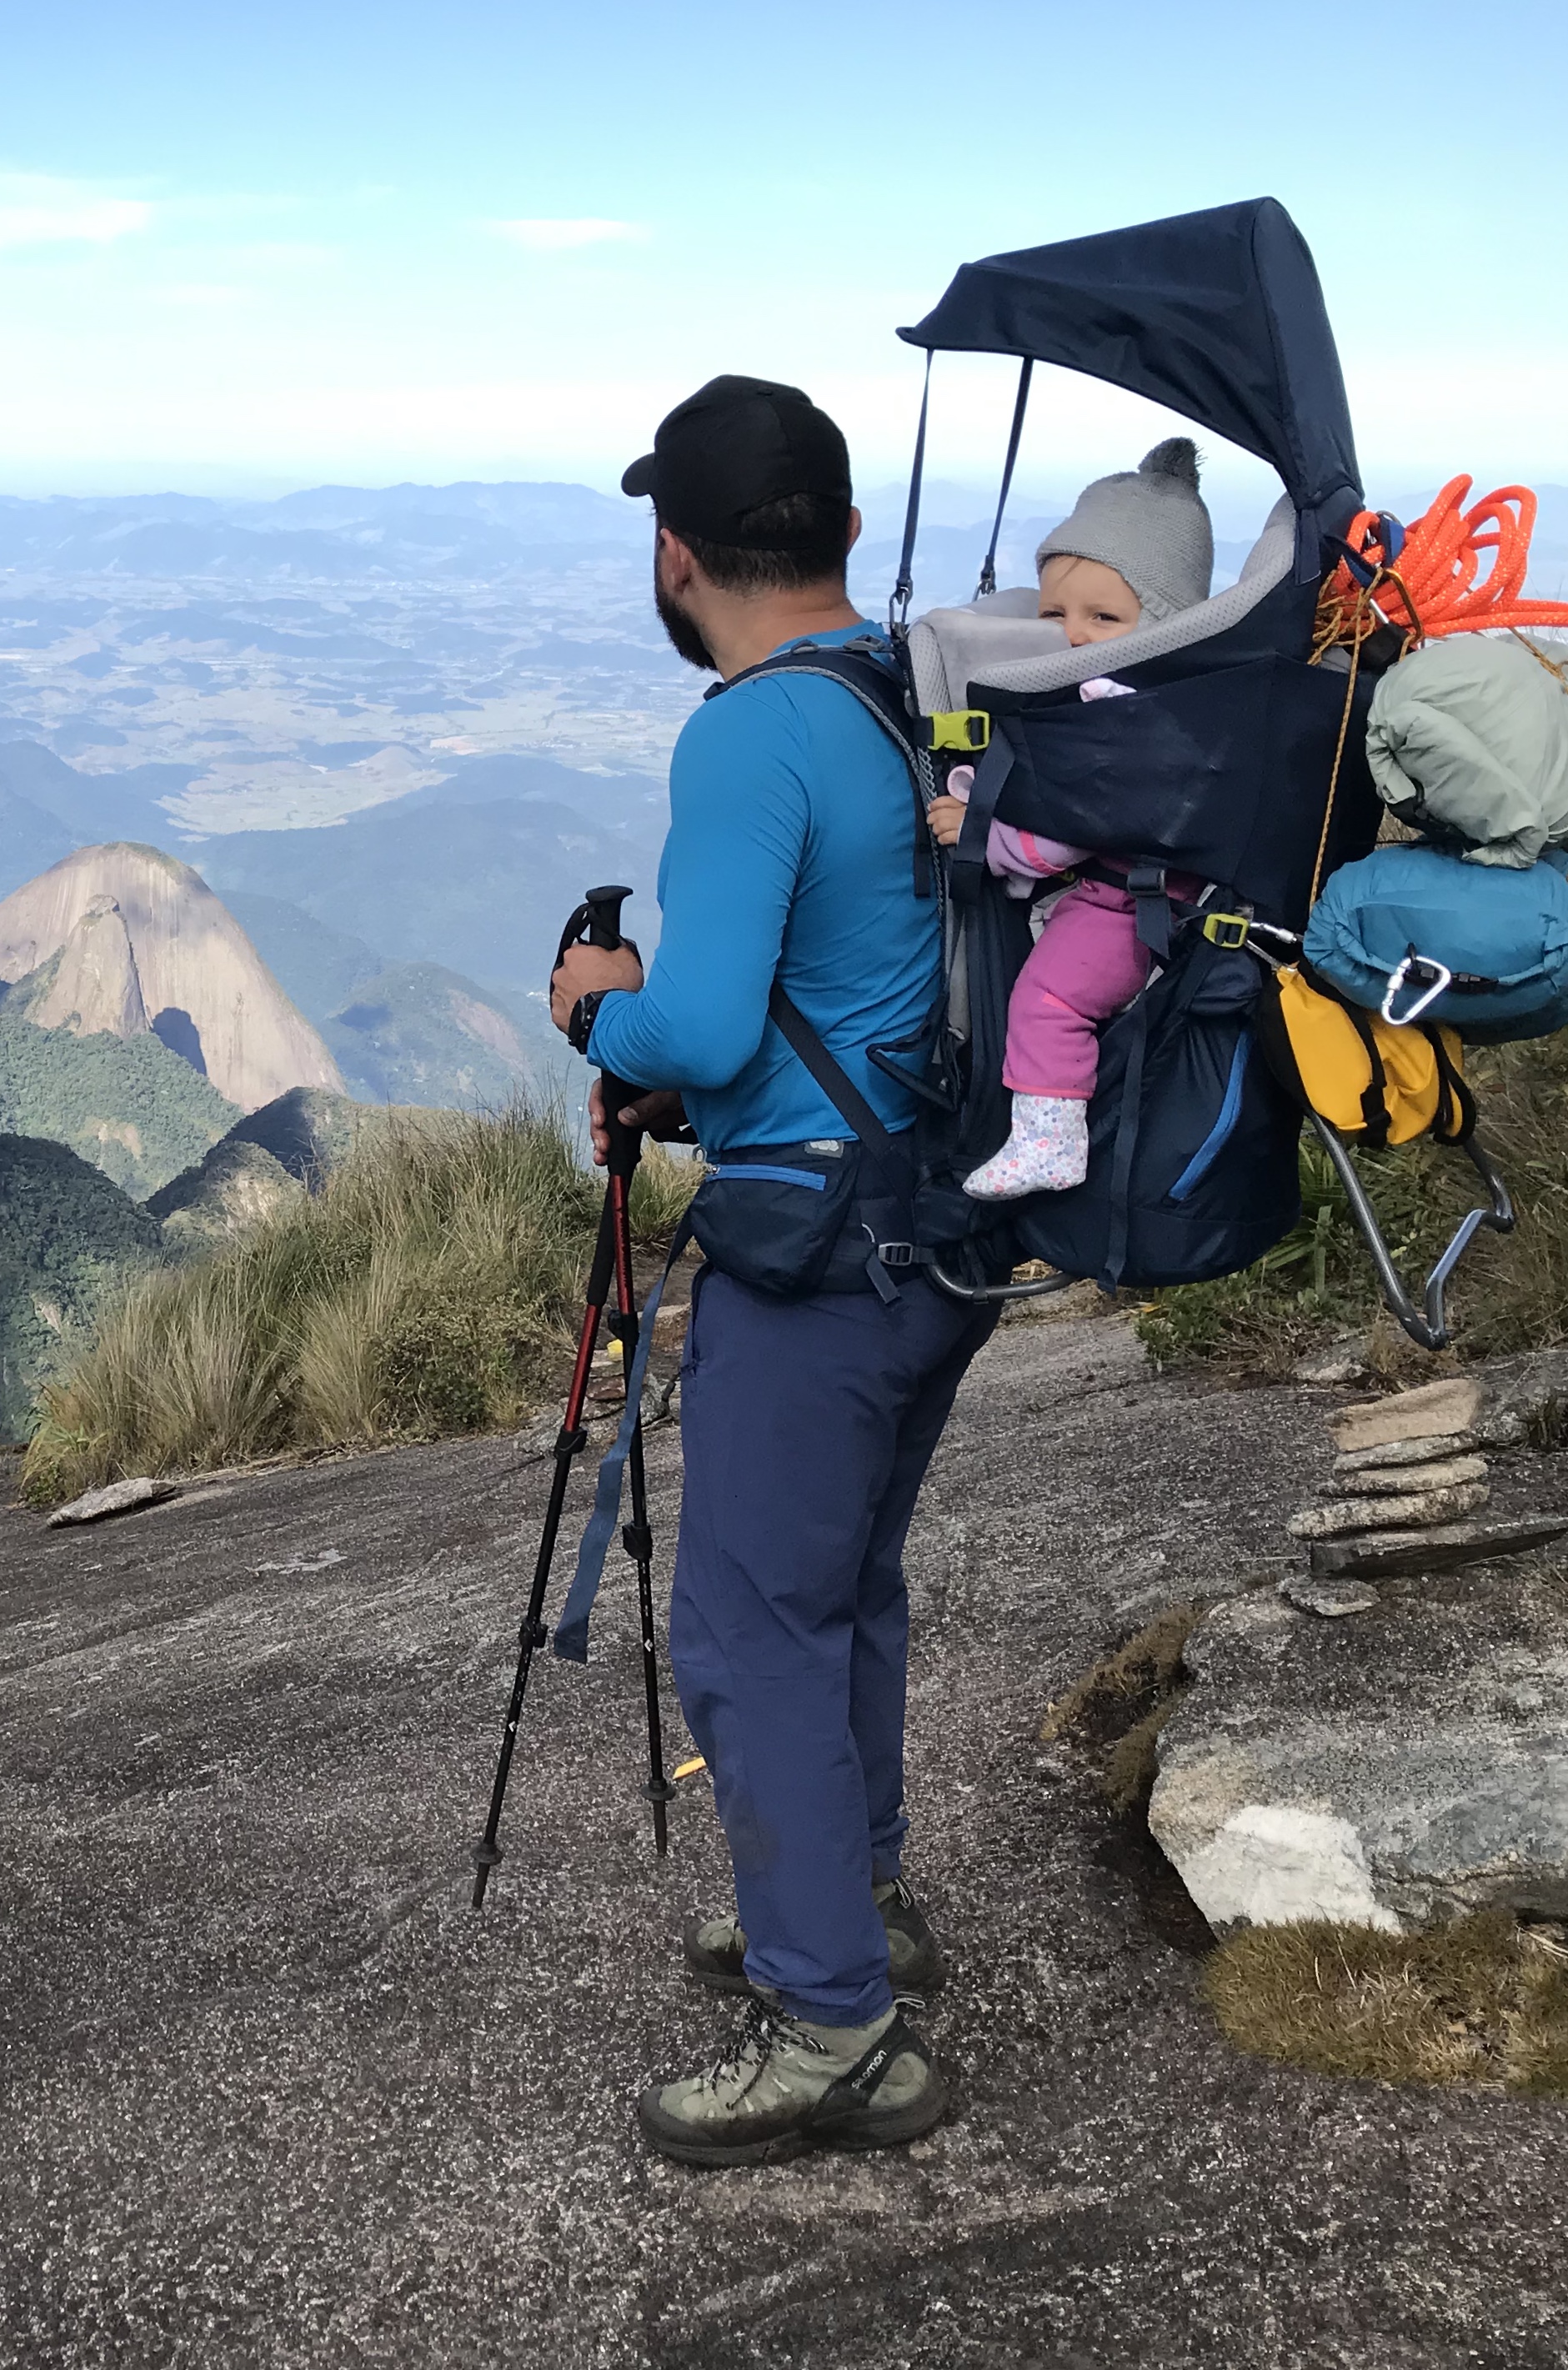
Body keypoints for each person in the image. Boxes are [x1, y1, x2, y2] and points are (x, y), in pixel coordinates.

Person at [544, 374, 999, 2167]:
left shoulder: (745, 734)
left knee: (744, 1632)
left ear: (677, 554)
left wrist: (605, 1010)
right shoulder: (906, 686)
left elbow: (713, 1015)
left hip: (815, 1256)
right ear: (843, 535)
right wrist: (690, 1061)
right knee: (844, 1592)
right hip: (940, 1230)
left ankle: (837, 2028)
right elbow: (858, 975)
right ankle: (850, 1900)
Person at [932, 438, 1216, 1198]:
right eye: (1054, 612)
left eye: (1103, 615)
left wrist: (981, 835)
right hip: (1143, 895)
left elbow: (1061, 833)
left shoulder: (1121, 718)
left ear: (1167, 625)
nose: (1072, 634)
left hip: (1130, 903)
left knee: (1047, 999)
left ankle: (1048, 1141)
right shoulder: (1151, 701)